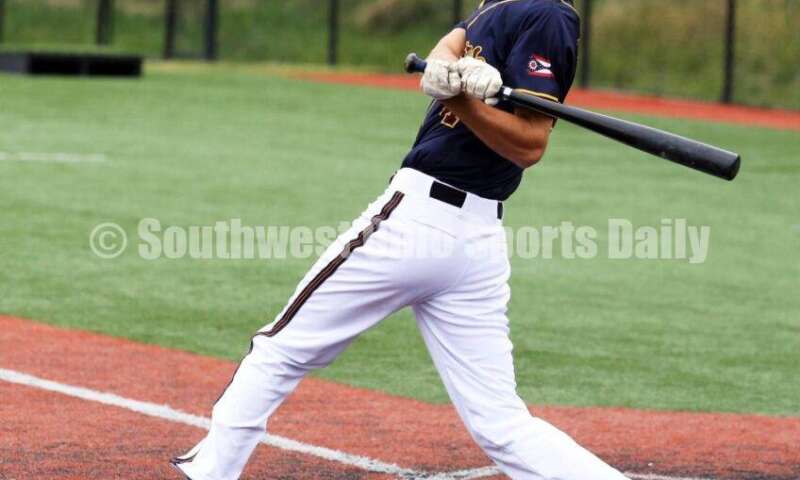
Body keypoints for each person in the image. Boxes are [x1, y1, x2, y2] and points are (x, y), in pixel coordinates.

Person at [172, 1, 629, 478]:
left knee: (278, 350)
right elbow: (444, 52)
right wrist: (450, 74)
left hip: (419, 223)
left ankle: (210, 473)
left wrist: (465, 100)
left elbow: (529, 144)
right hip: (472, 244)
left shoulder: (548, 16)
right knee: (501, 424)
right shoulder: (499, 3)